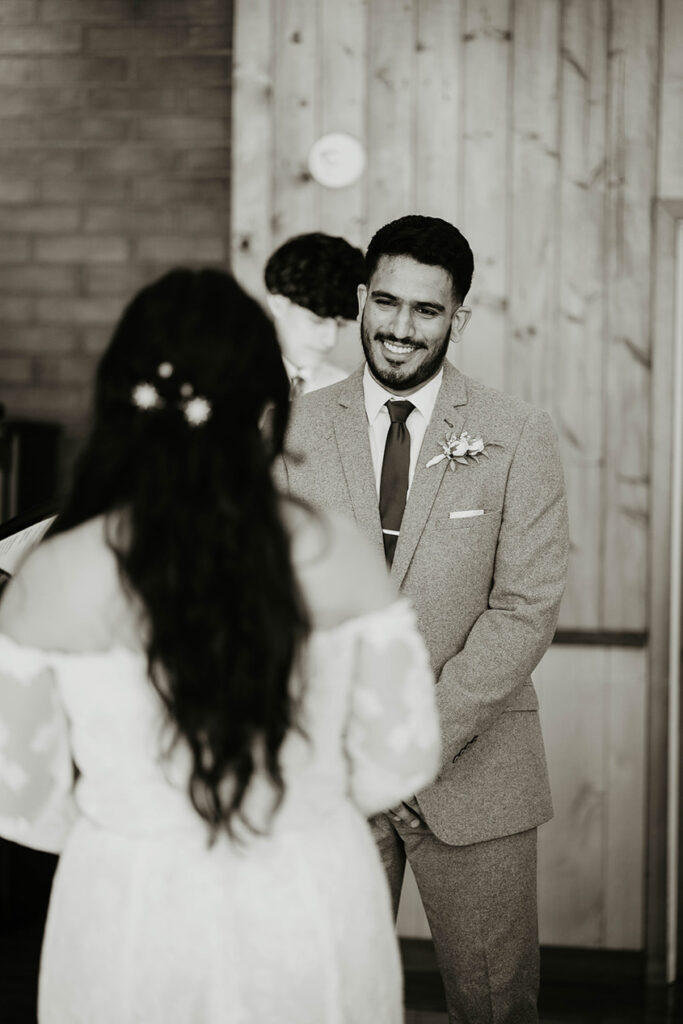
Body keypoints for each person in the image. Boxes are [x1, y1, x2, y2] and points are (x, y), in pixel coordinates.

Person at [0, 268, 441, 1023]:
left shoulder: (53, 573)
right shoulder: (336, 551)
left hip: (127, 902)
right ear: (270, 414)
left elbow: (21, 802)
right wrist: (298, 804)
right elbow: (400, 759)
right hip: (308, 890)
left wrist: (135, 820)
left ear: (117, 409)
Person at [280, 215, 570, 1024]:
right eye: (386, 302)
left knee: (493, 1003)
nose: (400, 329)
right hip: (331, 772)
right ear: (361, 299)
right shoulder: (295, 430)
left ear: (458, 318)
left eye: (426, 311)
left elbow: (525, 608)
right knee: (329, 999)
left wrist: (414, 740)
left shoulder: (517, 434)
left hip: (475, 773)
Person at [264, 232, 365, 396]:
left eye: (340, 325)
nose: (330, 340)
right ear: (278, 304)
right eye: (317, 321)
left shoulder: (340, 388)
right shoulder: (235, 380)